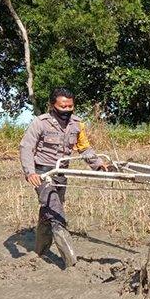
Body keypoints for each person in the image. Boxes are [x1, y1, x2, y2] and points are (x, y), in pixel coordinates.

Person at [19, 88, 107, 268]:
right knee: (57, 212)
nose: (67, 110)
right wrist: (30, 172)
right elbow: (26, 147)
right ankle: (71, 262)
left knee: (49, 210)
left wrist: (98, 164)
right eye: (62, 106)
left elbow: (84, 149)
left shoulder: (77, 124)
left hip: (61, 173)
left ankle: (40, 251)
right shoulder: (40, 123)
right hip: (43, 172)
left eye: (70, 106)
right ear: (53, 105)